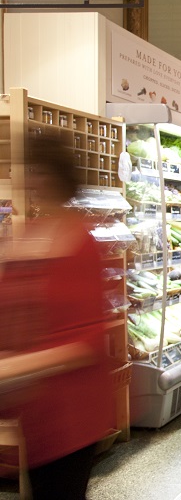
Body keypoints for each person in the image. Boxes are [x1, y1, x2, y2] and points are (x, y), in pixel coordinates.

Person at [0, 135, 113, 499]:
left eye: (30, 170)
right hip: (33, 414)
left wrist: (16, 368)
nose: (23, 180)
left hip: (69, 415)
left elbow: (87, 342)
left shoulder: (79, 242)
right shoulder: (29, 235)